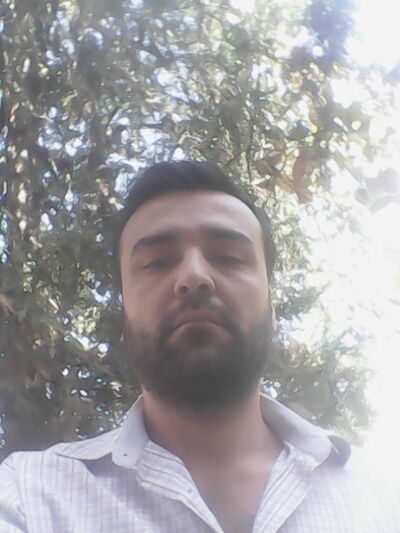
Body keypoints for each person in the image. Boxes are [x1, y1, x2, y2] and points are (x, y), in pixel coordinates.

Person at [0, 161, 398, 532]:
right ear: (125, 311)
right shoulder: (29, 496)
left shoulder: (383, 496)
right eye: (157, 262)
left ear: (271, 304)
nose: (193, 276)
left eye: (229, 257)